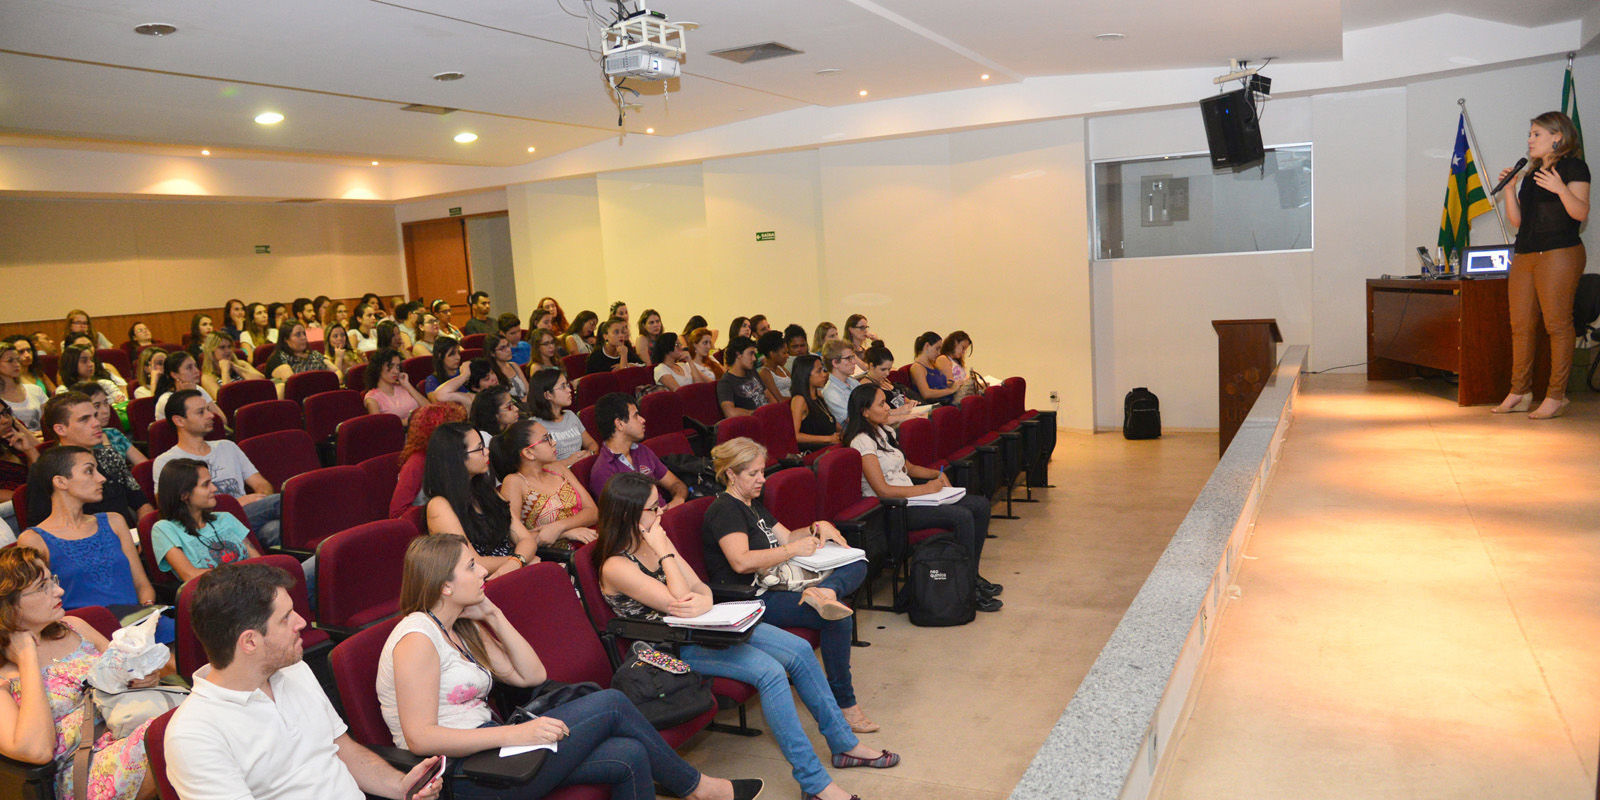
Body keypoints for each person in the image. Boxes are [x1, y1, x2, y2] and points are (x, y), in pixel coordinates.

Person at [378, 534, 760, 800]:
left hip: (493, 752)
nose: (483, 572)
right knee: (611, 703)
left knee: (629, 755)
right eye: (471, 566)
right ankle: (699, 789)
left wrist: (493, 615)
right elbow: (421, 739)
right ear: (445, 586)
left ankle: (699, 789)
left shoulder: (459, 626)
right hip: (463, 775)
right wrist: (515, 735)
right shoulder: (418, 640)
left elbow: (532, 676)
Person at [595, 472, 897, 800]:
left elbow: (699, 589)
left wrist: (698, 601)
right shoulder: (616, 565)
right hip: (672, 648)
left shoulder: (655, 541)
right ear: (628, 514)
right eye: (654, 508)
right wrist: (666, 555)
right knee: (770, 672)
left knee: (798, 649)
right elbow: (678, 600)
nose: (662, 512)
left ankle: (844, 745)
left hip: (706, 625)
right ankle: (815, 785)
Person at [165, 562, 445, 800]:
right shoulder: (195, 734)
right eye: (286, 618)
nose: (301, 622)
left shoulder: (294, 669)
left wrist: (400, 786)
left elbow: (342, 750)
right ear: (250, 641)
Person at [702, 437, 876, 731]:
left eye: (762, 471)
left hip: (777, 581)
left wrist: (816, 527)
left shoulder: (751, 504)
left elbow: (787, 537)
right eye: (753, 474)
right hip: (752, 597)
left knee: (858, 561)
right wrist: (792, 551)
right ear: (730, 473)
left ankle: (827, 591)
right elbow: (741, 562)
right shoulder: (725, 510)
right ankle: (845, 704)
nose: (762, 479)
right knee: (837, 617)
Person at [0, 547, 162, 800]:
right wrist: (26, 655)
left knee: (194, 721)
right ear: (8, 606)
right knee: (173, 735)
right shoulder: (4, 676)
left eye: (52, 580)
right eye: (42, 587)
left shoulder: (74, 627)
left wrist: (143, 677)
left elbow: (126, 671)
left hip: (130, 728)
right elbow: (37, 751)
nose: (59, 591)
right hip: (84, 771)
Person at [843, 383, 1001, 611]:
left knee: (980, 506)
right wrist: (926, 489)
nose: (888, 407)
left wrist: (936, 475)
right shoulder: (861, 441)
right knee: (962, 516)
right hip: (894, 509)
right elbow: (883, 490)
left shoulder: (883, 431)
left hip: (913, 498)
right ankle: (966, 589)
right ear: (864, 411)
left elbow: (907, 467)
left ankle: (971, 576)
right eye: (881, 404)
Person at [1493, 110, 1591, 419]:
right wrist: (1510, 189)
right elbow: (1517, 221)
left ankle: (1556, 396)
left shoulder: (1574, 167)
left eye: (1536, 134)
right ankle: (1519, 392)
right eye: (1530, 134)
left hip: (1560, 252)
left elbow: (1580, 213)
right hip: (1525, 253)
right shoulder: (1532, 174)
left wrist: (1561, 188)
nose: (1530, 140)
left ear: (1557, 137)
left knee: (1557, 325)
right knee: (1521, 325)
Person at [17, 446, 174, 640]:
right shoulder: (34, 540)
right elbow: (35, 605)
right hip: (82, 635)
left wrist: (146, 612)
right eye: (89, 471)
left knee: (186, 640)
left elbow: (142, 585)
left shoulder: (114, 522)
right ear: (60, 482)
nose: (101, 478)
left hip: (138, 624)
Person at [151, 389, 281, 546]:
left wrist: (259, 500)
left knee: (275, 529)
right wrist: (235, 504)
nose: (211, 415)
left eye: (208, 409)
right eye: (201, 412)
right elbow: (171, 509)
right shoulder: (167, 462)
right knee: (282, 502)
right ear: (179, 421)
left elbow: (262, 485)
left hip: (247, 518)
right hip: (209, 525)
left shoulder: (227, 446)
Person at [423, 422, 530, 578]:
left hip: (509, 571)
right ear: (457, 458)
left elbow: (526, 539)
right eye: (479, 448)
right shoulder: (439, 506)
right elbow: (474, 562)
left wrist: (518, 562)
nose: (487, 452)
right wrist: (522, 560)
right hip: (481, 582)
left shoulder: (484, 490)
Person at [37, 391, 151, 526]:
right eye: (84, 419)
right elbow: (43, 526)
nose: (96, 423)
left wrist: (144, 528)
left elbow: (141, 503)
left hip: (126, 533)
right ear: (61, 429)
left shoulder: (109, 456)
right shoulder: (46, 469)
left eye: (95, 416)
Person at [492, 419, 599, 557]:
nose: (554, 442)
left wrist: (559, 527)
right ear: (528, 453)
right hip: (556, 557)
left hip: (588, 542)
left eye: (551, 437)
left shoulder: (558, 468)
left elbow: (593, 512)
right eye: (546, 439)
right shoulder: (514, 482)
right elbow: (513, 539)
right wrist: (566, 533)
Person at [151, 458, 261, 581]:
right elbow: (189, 575)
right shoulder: (164, 529)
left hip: (251, 584)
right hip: (212, 590)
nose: (214, 488)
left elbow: (258, 562)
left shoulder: (225, 518)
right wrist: (241, 574)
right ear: (183, 494)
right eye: (205, 484)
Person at [587, 393, 688, 509]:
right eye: (636, 416)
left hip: (667, 514)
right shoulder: (603, 471)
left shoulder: (642, 450)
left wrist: (678, 499)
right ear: (619, 424)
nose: (643, 420)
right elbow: (621, 517)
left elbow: (676, 484)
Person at [73, 381, 155, 518]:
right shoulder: (69, 455)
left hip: (126, 494)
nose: (105, 411)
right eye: (97, 406)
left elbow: (144, 467)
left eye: (106, 403)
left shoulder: (113, 434)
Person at [391, 403, 467, 518]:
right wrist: (436, 511)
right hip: (428, 521)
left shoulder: (452, 454)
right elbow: (397, 513)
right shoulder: (416, 463)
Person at [525, 369, 598, 468]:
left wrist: (590, 453)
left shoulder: (570, 415)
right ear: (548, 395)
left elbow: (592, 444)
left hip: (582, 469)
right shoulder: (534, 425)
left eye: (567, 385)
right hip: (558, 475)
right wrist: (569, 461)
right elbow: (539, 467)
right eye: (563, 387)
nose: (569, 390)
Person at [151, 351, 225, 425]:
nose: (196, 371)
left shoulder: (197, 389)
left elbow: (222, 420)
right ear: (174, 375)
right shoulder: (166, 400)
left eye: (195, 366)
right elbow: (193, 426)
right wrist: (192, 395)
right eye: (189, 368)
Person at [364, 348, 428, 424]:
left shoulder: (404, 386)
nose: (396, 371)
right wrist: (410, 421)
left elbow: (429, 408)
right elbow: (379, 426)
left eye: (397, 366)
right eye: (391, 366)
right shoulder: (372, 398)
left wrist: (407, 385)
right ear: (378, 367)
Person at [789, 355, 841, 449]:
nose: (824, 374)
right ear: (805, 375)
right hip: (816, 451)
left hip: (831, 446)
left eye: (823, 370)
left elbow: (832, 423)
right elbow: (795, 436)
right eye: (818, 371)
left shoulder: (818, 396)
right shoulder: (799, 400)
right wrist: (828, 439)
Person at [198, 333, 265, 398]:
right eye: (222, 347)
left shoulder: (242, 364)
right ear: (211, 351)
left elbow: (262, 381)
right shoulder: (207, 377)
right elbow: (224, 398)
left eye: (229, 347)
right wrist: (225, 371)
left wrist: (234, 367)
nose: (228, 351)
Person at [0, 346, 50, 433]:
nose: (16, 364)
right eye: (10, 361)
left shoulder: (35, 390)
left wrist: (43, 434)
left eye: (18, 360)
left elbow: (50, 421)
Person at [58, 343, 129, 404]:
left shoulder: (105, 384)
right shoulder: (63, 391)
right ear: (71, 364)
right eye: (84, 361)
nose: (91, 364)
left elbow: (124, 403)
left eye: (91, 359)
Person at [265, 322, 332, 384]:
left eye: (304, 334)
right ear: (286, 340)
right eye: (298, 335)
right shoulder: (278, 358)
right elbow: (293, 383)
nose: (303, 337)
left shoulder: (314, 354)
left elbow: (335, 372)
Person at [717, 337, 767, 418]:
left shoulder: (752, 371)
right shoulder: (725, 382)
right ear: (738, 354)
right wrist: (760, 413)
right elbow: (730, 413)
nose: (754, 358)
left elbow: (768, 395)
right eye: (751, 353)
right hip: (754, 420)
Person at [935, 330, 983, 402]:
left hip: (964, 393)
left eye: (965, 350)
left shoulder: (956, 362)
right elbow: (950, 383)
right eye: (963, 348)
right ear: (954, 343)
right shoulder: (943, 359)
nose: (963, 352)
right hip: (956, 397)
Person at [818, 341, 858, 426]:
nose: (854, 362)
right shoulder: (831, 393)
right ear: (835, 363)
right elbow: (854, 420)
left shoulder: (852, 382)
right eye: (849, 358)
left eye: (853, 357)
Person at [470, 386, 521, 451]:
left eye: (513, 403)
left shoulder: (510, 429)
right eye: (509, 407)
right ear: (493, 414)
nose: (516, 409)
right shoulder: (485, 441)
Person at [484, 334, 529, 401]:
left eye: (508, 345)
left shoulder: (514, 365)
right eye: (502, 348)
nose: (508, 350)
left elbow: (528, 389)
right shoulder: (492, 373)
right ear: (492, 353)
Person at [755, 331, 791, 403]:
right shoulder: (765, 373)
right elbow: (779, 399)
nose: (787, 356)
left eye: (787, 352)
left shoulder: (781, 368)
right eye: (784, 353)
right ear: (772, 354)